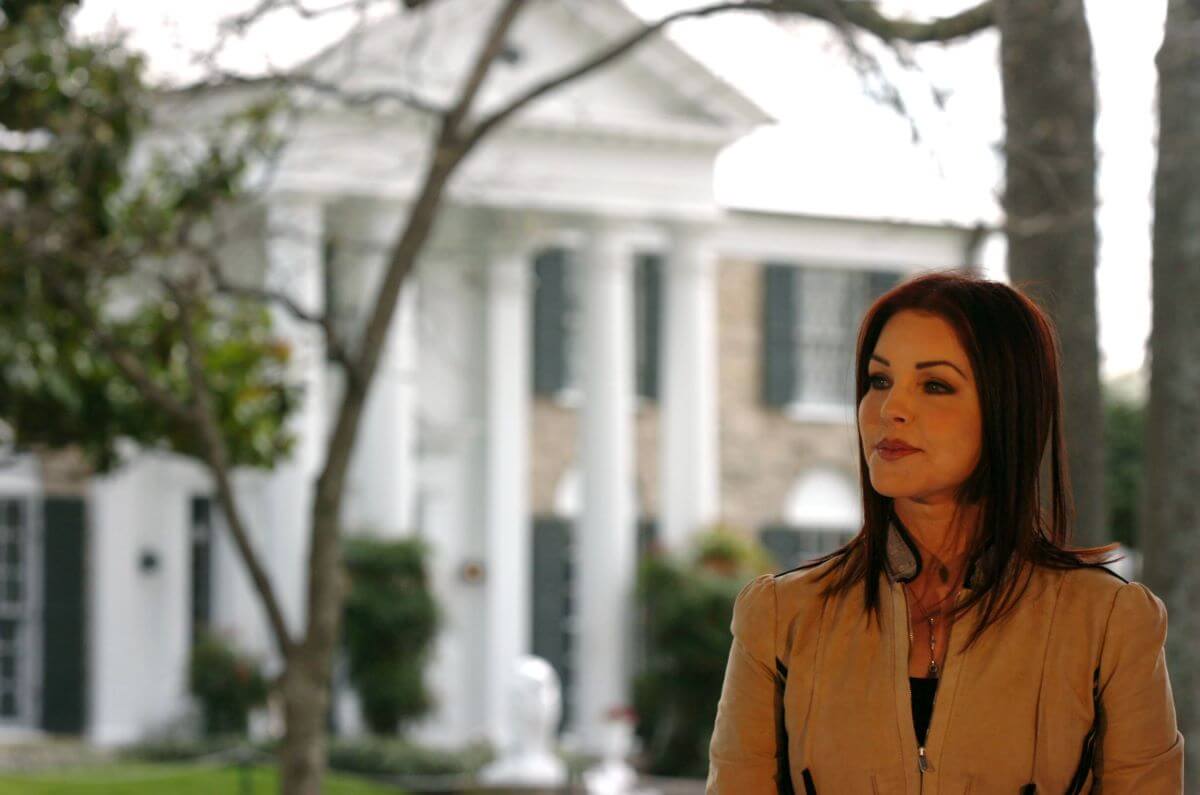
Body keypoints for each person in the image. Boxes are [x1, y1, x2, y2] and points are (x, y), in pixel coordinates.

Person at [706, 272, 1183, 793]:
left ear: (1007, 408)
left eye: (935, 385)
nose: (891, 410)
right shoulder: (779, 617)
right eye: (879, 380)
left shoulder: (1110, 623)